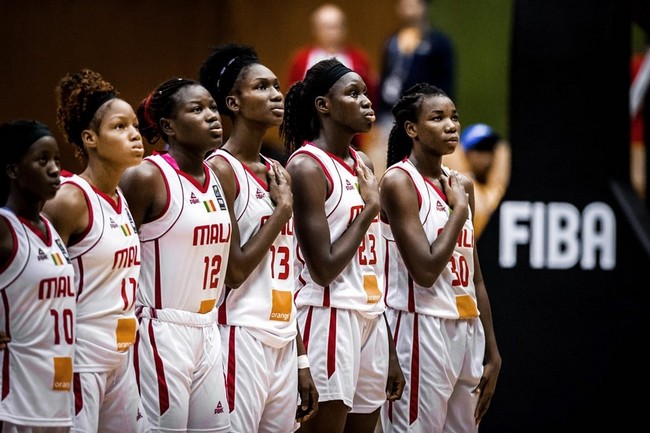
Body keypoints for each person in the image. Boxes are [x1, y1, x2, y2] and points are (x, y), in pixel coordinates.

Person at [199, 43, 319, 432]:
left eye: (276, 86)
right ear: (233, 102)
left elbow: (287, 273)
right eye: (262, 87)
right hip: (239, 333)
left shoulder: (276, 169)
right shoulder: (220, 168)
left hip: (283, 334)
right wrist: (282, 211)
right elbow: (233, 272)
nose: (276, 94)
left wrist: (301, 359)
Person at [280, 58, 404, 433]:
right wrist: (369, 209)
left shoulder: (362, 162)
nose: (367, 101)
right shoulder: (306, 167)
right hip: (328, 315)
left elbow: (373, 261)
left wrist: (387, 341)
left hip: (368, 315)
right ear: (324, 105)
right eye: (353, 93)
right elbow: (323, 268)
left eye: (366, 93)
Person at [378, 83, 501, 432]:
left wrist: (492, 348)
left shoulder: (461, 184)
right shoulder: (398, 181)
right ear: (411, 129)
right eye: (437, 118)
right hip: (420, 325)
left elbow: (474, 274)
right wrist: (459, 211)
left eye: (454, 117)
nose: (451, 125)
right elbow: (426, 270)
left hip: (466, 326)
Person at [119, 77, 232, 432]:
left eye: (213, 107)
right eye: (197, 110)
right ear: (168, 126)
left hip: (208, 329)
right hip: (160, 331)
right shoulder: (145, 177)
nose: (212, 116)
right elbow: (115, 252)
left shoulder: (216, 175)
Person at [42, 69, 149, 433]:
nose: (134, 134)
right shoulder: (69, 200)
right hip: (79, 358)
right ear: (90, 139)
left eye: (134, 125)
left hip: (121, 356)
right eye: (119, 127)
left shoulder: (121, 198)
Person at [0, 120, 76, 432]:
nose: (55, 169)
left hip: (56, 392)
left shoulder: (49, 227)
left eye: (57, 159)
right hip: (15, 399)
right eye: (42, 160)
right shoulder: (5, 228)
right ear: (13, 170)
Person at [370, 0, 455, 177]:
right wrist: (376, 115)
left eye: (413, 3)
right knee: (382, 165)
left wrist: (443, 116)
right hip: (390, 114)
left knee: (421, 163)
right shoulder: (391, 41)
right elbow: (384, 78)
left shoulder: (438, 43)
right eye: (404, 3)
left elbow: (445, 83)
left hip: (421, 114)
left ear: (424, 6)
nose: (409, 8)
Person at [286, 3, 378, 152]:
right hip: (310, 133)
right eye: (327, 27)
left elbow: (370, 93)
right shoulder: (301, 59)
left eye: (337, 26)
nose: (332, 32)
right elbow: (291, 94)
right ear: (316, 29)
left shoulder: (359, 58)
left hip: (352, 135)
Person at [443, 123, 511, 239]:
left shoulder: (494, 190)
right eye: (479, 149)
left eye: (490, 150)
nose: (486, 156)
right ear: (464, 154)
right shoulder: (455, 183)